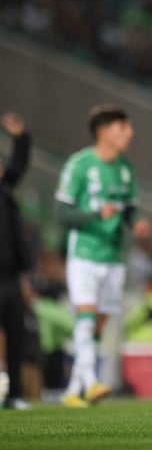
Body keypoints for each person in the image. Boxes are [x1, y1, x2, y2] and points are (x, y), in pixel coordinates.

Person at [55, 104, 151, 408]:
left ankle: (73, 390)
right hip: (84, 251)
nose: (130, 133)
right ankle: (93, 382)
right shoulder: (80, 165)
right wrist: (96, 214)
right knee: (85, 314)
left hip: (113, 254)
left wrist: (135, 222)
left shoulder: (125, 168)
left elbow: (130, 207)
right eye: (123, 127)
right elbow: (62, 212)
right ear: (103, 131)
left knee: (97, 323)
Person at [0, 112, 32, 410]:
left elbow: (18, 166)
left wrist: (21, 138)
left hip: (10, 277)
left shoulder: (5, 192)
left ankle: (15, 393)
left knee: (16, 335)